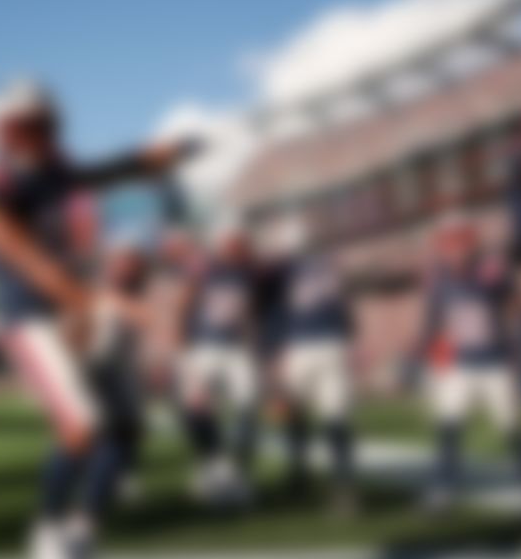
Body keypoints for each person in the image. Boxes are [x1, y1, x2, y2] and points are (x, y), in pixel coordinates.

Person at [0, 77, 198, 559]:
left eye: (45, 121)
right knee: (81, 426)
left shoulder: (55, 173)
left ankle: (80, 534)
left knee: (126, 428)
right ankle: (47, 533)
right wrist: (79, 298)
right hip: (33, 317)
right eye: (25, 124)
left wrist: (156, 158)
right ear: (2, 133)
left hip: (75, 309)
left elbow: (108, 169)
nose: (39, 133)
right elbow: (19, 252)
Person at [409, 219, 521, 517]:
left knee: (513, 429)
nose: (454, 253)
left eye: (460, 246)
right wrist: (427, 361)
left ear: (471, 246)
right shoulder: (439, 279)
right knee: (449, 428)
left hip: (495, 362)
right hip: (459, 364)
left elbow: (519, 304)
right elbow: (433, 323)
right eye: (449, 247)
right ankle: (442, 491)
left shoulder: (491, 271)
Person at [273, 216, 360, 516]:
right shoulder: (328, 263)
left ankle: (317, 477)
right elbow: (345, 306)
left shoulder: (289, 268)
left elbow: (344, 305)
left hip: (309, 344)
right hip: (320, 344)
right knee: (321, 414)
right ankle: (330, 481)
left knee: (327, 415)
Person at [173, 220, 260, 506]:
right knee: (194, 408)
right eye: (233, 242)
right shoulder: (204, 267)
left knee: (248, 405)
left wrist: (254, 343)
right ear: (221, 243)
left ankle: (236, 472)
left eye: (241, 241)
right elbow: (183, 305)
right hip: (204, 346)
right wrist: (181, 349)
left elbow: (248, 311)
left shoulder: (248, 271)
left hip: (235, 348)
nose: (239, 247)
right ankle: (210, 464)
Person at [85, 232, 153, 504]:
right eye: (124, 260)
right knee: (102, 429)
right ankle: (99, 487)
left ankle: (121, 476)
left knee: (131, 428)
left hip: (125, 366)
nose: (129, 266)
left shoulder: (141, 288)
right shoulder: (96, 287)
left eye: (133, 261)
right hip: (97, 364)